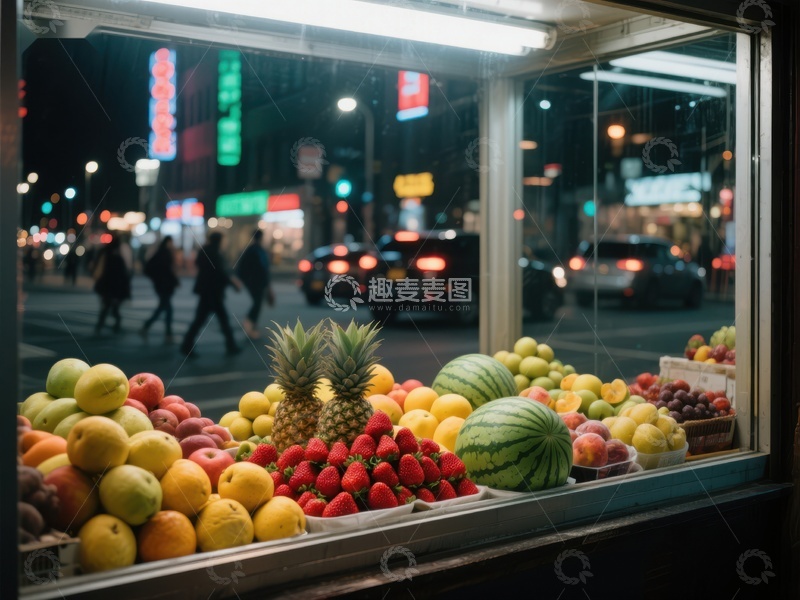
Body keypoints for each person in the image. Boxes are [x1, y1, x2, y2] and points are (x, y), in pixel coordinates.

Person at [181, 232, 242, 357]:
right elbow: (220, 272)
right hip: (213, 292)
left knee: (201, 319)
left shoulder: (205, 250)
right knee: (219, 319)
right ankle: (231, 345)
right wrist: (232, 283)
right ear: (218, 241)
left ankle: (187, 345)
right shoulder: (214, 252)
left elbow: (203, 266)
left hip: (207, 291)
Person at [236, 229, 275, 339]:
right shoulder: (257, 250)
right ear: (261, 237)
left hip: (254, 281)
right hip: (256, 281)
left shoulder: (253, 250)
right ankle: (249, 324)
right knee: (257, 303)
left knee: (257, 302)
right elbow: (263, 269)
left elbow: (242, 267)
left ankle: (250, 324)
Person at [141, 236, 180, 343]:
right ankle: (167, 333)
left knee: (164, 307)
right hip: (164, 286)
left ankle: (147, 326)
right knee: (167, 309)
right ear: (168, 242)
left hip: (163, 285)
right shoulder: (164, 253)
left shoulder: (162, 253)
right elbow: (167, 270)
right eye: (171, 242)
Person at [92, 235, 131, 334]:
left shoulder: (106, 253)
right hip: (114, 287)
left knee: (107, 306)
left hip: (106, 286)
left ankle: (101, 325)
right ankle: (113, 324)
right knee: (111, 307)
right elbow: (123, 274)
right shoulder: (118, 256)